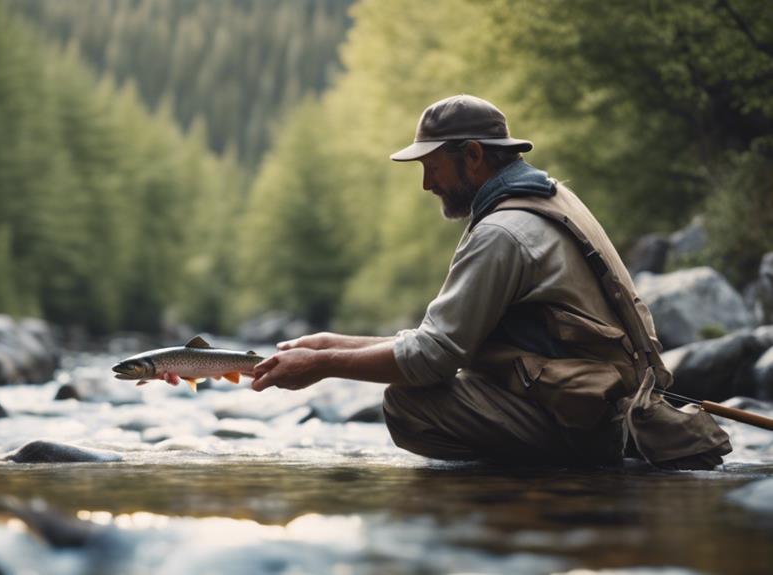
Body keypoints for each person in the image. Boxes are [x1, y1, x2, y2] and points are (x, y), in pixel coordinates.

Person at [248, 94, 730, 468]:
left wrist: (326, 364)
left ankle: (564, 468)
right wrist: (334, 343)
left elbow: (432, 360)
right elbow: (444, 344)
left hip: (592, 420)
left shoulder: (502, 232)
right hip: (600, 400)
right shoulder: (550, 197)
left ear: (473, 155)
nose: (426, 183)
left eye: (431, 166)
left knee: (409, 405)